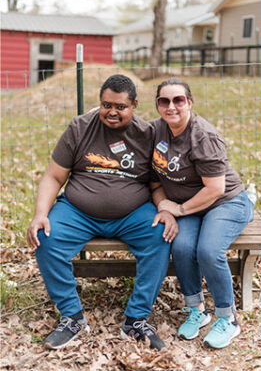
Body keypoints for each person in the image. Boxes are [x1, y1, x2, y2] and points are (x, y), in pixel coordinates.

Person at [27, 74, 174, 350]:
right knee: (45, 237)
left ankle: (136, 320)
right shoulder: (80, 127)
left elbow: (155, 184)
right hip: (78, 211)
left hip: (132, 213)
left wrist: (165, 209)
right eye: (107, 105)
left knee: (160, 237)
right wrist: (40, 214)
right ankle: (72, 317)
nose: (112, 112)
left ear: (135, 105)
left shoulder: (147, 135)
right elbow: (54, 177)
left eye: (121, 106)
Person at [149, 78, 254, 349]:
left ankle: (227, 318)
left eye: (178, 100)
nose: (171, 106)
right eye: (164, 101)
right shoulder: (155, 130)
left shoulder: (203, 136)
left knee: (208, 250)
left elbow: (216, 188)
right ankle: (196, 310)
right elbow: (153, 181)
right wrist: (165, 207)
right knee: (182, 247)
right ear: (158, 105)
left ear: (189, 103)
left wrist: (179, 209)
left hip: (225, 202)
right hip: (189, 206)